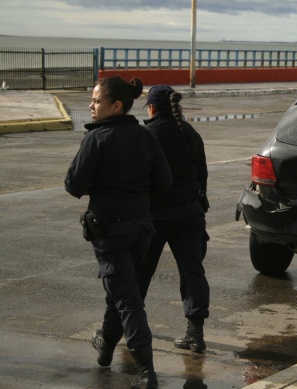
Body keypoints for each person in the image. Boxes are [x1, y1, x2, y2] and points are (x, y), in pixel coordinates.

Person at [65, 76, 172, 389]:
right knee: (123, 291)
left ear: (116, 106)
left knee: (128, 300)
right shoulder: (146, 136)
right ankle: (106, 346)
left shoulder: (97, 139)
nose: (91, 106)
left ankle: (146, 371)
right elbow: (163, 182)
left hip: (111, 230)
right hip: (141, 228)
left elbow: (73, 184)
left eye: (97, 101)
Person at [138, 85, 210, 353]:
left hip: (157, 215)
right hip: (191, 213)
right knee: (192, 272)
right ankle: (195, 333)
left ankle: (128, 326)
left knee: (141, 271)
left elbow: (141, 179)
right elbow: (202, 175)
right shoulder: (189, 132)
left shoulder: (148, 135)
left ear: (152, 108)